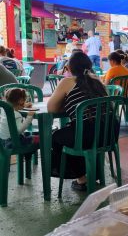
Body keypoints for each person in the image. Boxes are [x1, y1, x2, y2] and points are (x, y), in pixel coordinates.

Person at [47, 52, 111, 191]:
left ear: (69, 67)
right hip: (110, 132)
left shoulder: (67, 82)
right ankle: (93, 172)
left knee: (56, 137)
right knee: (73, 132)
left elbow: (51, 108)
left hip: (88, 134)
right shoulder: (97, 80)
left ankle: (81, 178)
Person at [0, 88, 35, 153]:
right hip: (13, 143)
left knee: (27, 134)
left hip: (3, 142)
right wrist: (29, 116)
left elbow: (14, 108)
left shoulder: (4, 109)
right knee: (37, 138)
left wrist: (23, 106)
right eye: (24, 100)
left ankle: (28, 157)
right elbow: (19, 130)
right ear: (21, 100)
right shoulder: (17, 115)